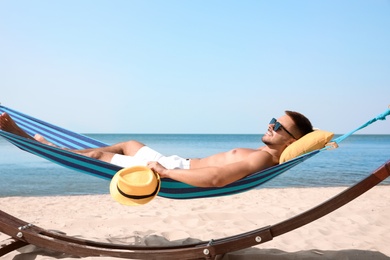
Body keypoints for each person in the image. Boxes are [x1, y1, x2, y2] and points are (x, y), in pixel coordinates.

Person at [0, 111, 313, 188]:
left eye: (278, 127)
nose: (270, 126)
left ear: (292, 141)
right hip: (177, 163)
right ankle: (52, 146)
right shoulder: (269, 154)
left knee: (99, 156)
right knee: (129, 144)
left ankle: (29, 141)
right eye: (273, 120)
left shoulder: (263, 157)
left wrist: (165, 171)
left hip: (176, 170)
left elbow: (217, 178)